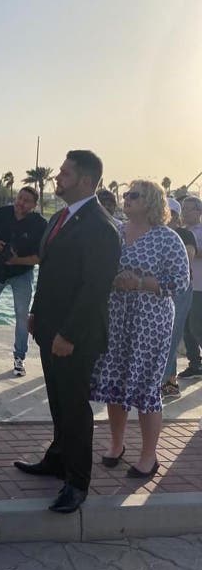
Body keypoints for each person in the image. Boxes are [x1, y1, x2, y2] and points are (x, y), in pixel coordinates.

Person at [13, 150, 120, 514]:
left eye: (65, 174)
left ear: (87, 181)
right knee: (58, 402)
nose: (57, 178)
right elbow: (50, 272)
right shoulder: (60, 217)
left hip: (76, 336)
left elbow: (95, 288)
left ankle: (77, 481)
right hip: (49, 328)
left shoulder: (100, 227)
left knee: (74, 407)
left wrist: (69, 335)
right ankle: (57, 458)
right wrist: (35, 314)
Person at [91, 182, 189, 478]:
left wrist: (143, 283)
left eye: (133, 195)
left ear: (150, 202)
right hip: (117, 318)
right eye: (125, 195)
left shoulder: (168, 239)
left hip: (150, 323)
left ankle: (149, 455)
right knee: (115, 383)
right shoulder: (116, 232)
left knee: (146, 387)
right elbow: (98, 268)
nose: (126, 199)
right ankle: (117, 444)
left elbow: (180, 282)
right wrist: (113, 279)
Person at [0, 187, 47, 376]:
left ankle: (19, 356)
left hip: (22, 273)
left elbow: (40, 257)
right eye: (19, 198)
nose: (21, 203)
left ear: (34, 205)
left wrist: (17, 260)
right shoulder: (2, 213)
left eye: (27, 201)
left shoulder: (39, 224)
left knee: (22, 315)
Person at [161, 197, 196, 399]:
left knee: (172, 334)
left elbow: (187, 259)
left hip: (180, 290)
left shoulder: (184, 234)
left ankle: (168, 382)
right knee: (165, 334)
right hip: (158, 289)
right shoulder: (155, 234)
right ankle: (167, 382)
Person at [178, 196, 202, 379]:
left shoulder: (199, 231)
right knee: (185, 328)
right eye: (183, 208)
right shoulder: (181, 232)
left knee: (196, 326)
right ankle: (195, 364)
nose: (185, 212)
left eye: (189, 209)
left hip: (199, 287)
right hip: (185, 286)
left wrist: (190, 247)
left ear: (199, 211)